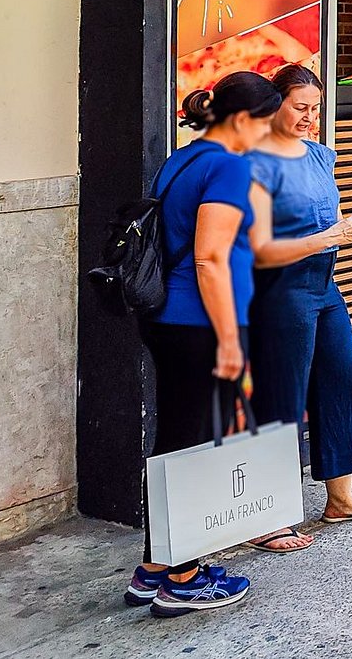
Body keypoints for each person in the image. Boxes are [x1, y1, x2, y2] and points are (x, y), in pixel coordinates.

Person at [127, 72, 282, 617]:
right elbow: (210, 258)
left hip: (166, 318)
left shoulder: (183, 159)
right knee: (191, 446)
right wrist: (230, 339)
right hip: (199, 322)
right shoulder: (229, 167)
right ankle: (184, 578)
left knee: (174, 440)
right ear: (242, 120)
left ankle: (155, 566)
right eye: (265, 122)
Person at [245, 65, 352, 552]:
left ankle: (340, 498)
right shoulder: (256, 163)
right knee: (282, 397)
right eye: (300, 107)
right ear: (274, 105)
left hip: (325, 284)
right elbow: (260, 249)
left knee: (345, 381)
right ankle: (266, 515)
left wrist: (351, 226)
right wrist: (332, 235)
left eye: (316, 109)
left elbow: (329, 221)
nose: (310, 117)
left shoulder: (320, 155)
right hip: (281, 289)